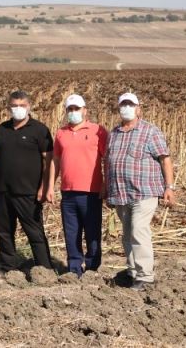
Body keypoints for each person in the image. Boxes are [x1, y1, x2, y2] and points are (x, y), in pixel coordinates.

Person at [105, 92, 175, 290]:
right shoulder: (114, 133)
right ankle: (132, 272)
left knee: (138, 230)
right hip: (120, 193)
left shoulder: (150, 132)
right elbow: (108, 163)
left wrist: (169, 187)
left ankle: (145, 276)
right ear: (118, 108)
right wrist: (107, 189)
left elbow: (165, 159)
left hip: (144, 192)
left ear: (138, 109)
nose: (126, 108)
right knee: (127, 234)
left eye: (130, 104)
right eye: (123, 104)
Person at [0, 90, 54, 272]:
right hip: (4, 191)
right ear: (9, 107)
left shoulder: (40, 130)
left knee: (34, 231)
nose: (18, 109)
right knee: (5, 231)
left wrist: (44, 187)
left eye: (22, 106)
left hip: (28, 192)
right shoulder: (3, 129)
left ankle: (44, 268)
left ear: (29, 106)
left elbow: (48, 162)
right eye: (14, 106)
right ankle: (8, 267)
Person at [47, 94, 108, 276]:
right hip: (68, 192)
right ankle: (74, 267)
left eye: (76, 109)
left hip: (91, 192)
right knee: (71, 232)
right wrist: (50, 186)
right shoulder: (61, 133)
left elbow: (108, 159)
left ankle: (92, 267)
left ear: (84, 110)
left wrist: (105, 183)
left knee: (92, 232)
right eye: (70, 109)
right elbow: (55, 161)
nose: (73, 112)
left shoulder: (98, 131)